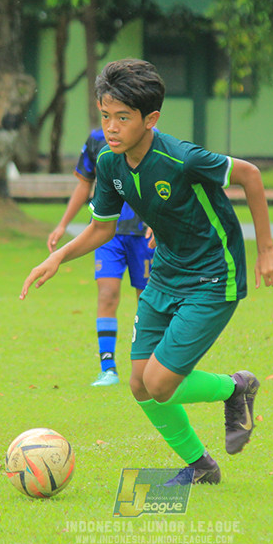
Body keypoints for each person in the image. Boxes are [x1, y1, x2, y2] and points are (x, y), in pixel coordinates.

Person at [21, 58, 273, 484]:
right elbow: (101, 228)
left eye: (122, 118)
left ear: (151, 119)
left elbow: (250, 177)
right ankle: (201, 467)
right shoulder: (109, 164)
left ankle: (235, 388)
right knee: (139, 385)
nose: (111, 128)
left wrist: (267, 251)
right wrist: (57, 257)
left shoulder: (180, 157)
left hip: (213, 275)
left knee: (160, 383)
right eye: (105, 116)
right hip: (166, 272)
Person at [47, 128, 156, 387]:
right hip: (107, 233)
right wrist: (63, 224)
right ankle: (108, 368)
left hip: (143, 233)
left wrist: (158, 220)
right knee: (107, 294)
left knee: (147, 302)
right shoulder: (96, 140)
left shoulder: (150, 136)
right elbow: (84, 185)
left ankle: (149, 368)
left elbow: (159, 184)